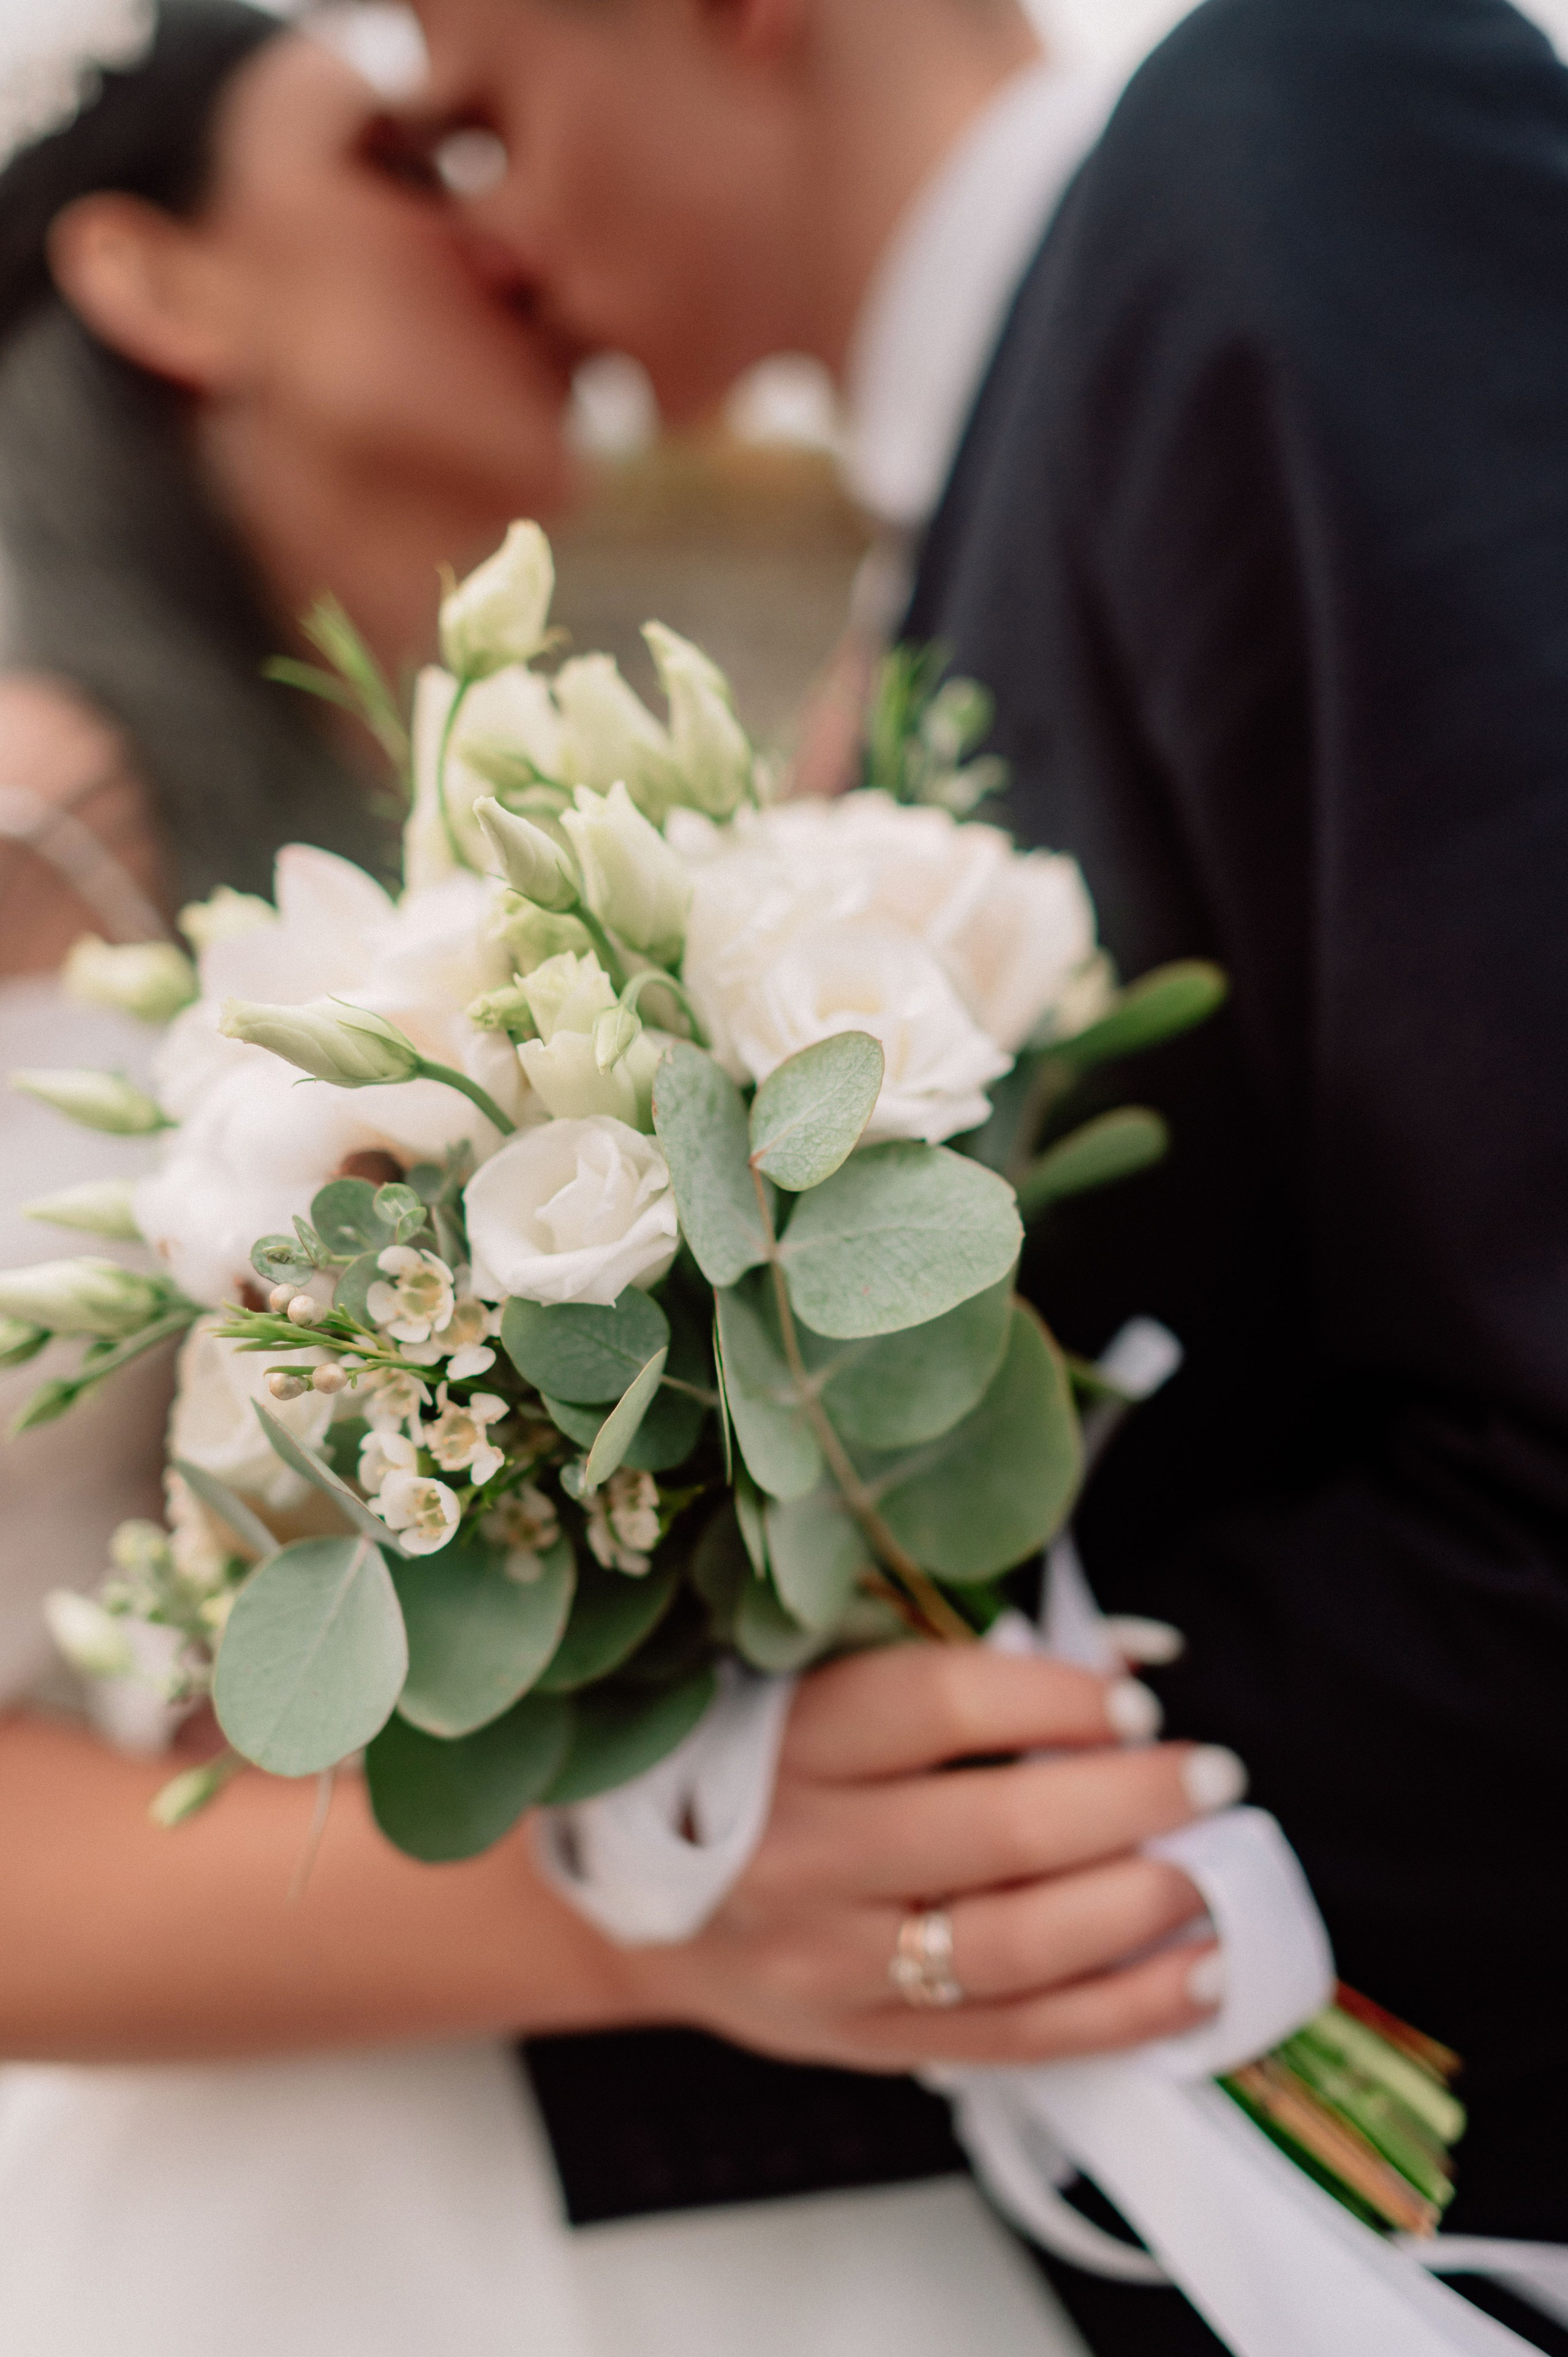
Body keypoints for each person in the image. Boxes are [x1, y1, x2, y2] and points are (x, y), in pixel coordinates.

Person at [0, 13, 1241, 2355]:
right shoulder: (26, 839)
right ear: (165, 285)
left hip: (912, 2182)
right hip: (363, 2243)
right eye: (405, 155)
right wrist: (643, 1881)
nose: (510, 213)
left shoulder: (769, 790)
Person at [408, 0, 1568, 2349]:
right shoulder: (941, 548)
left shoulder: (1297, 146)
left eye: (486, 117)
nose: (495, 237)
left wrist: (920, 1813)